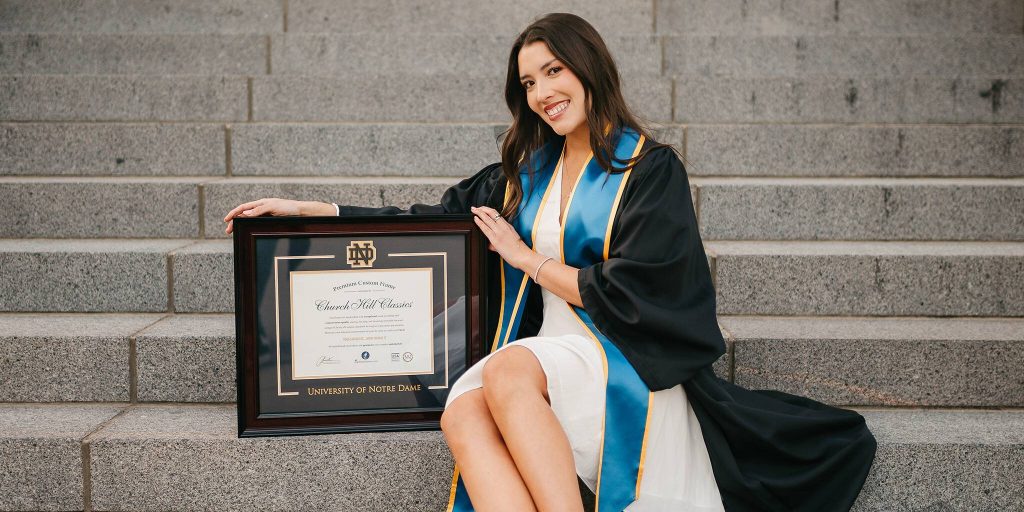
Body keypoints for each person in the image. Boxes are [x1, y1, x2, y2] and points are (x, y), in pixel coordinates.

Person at [224, 13, 876, 512]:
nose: (541, 92)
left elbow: (634, 292)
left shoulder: (649, 171)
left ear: (589, 67)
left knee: (506, 372)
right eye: (529, 82)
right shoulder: (526, 172)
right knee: (462, 411)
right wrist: (312, 211)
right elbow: (436, 218)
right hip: (555, 352)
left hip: (624, 354)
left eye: (553, 71)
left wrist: (527, 259)